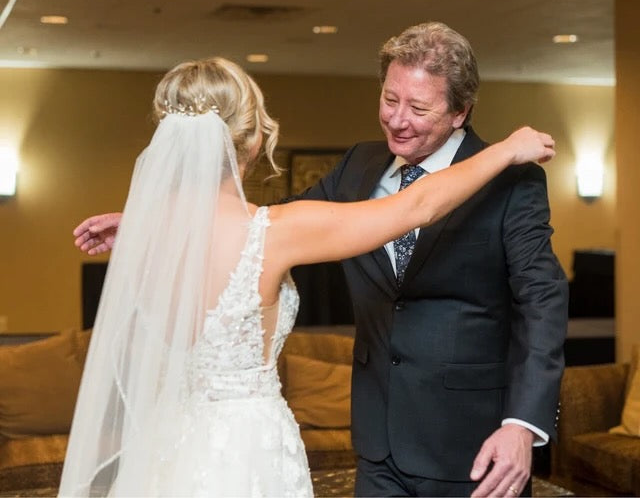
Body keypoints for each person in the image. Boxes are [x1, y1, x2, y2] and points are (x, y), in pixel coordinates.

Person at [70, 26, 563, 498]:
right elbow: (404, 210)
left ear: (461, 112)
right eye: (390, 100)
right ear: (252, 138)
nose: (396, 118)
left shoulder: (513, 184)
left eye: (417, 107)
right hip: (367, 445)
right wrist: (506, 149)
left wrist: (522, 424)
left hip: (471, 443)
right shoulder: (354, 169)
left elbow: (542, 300)